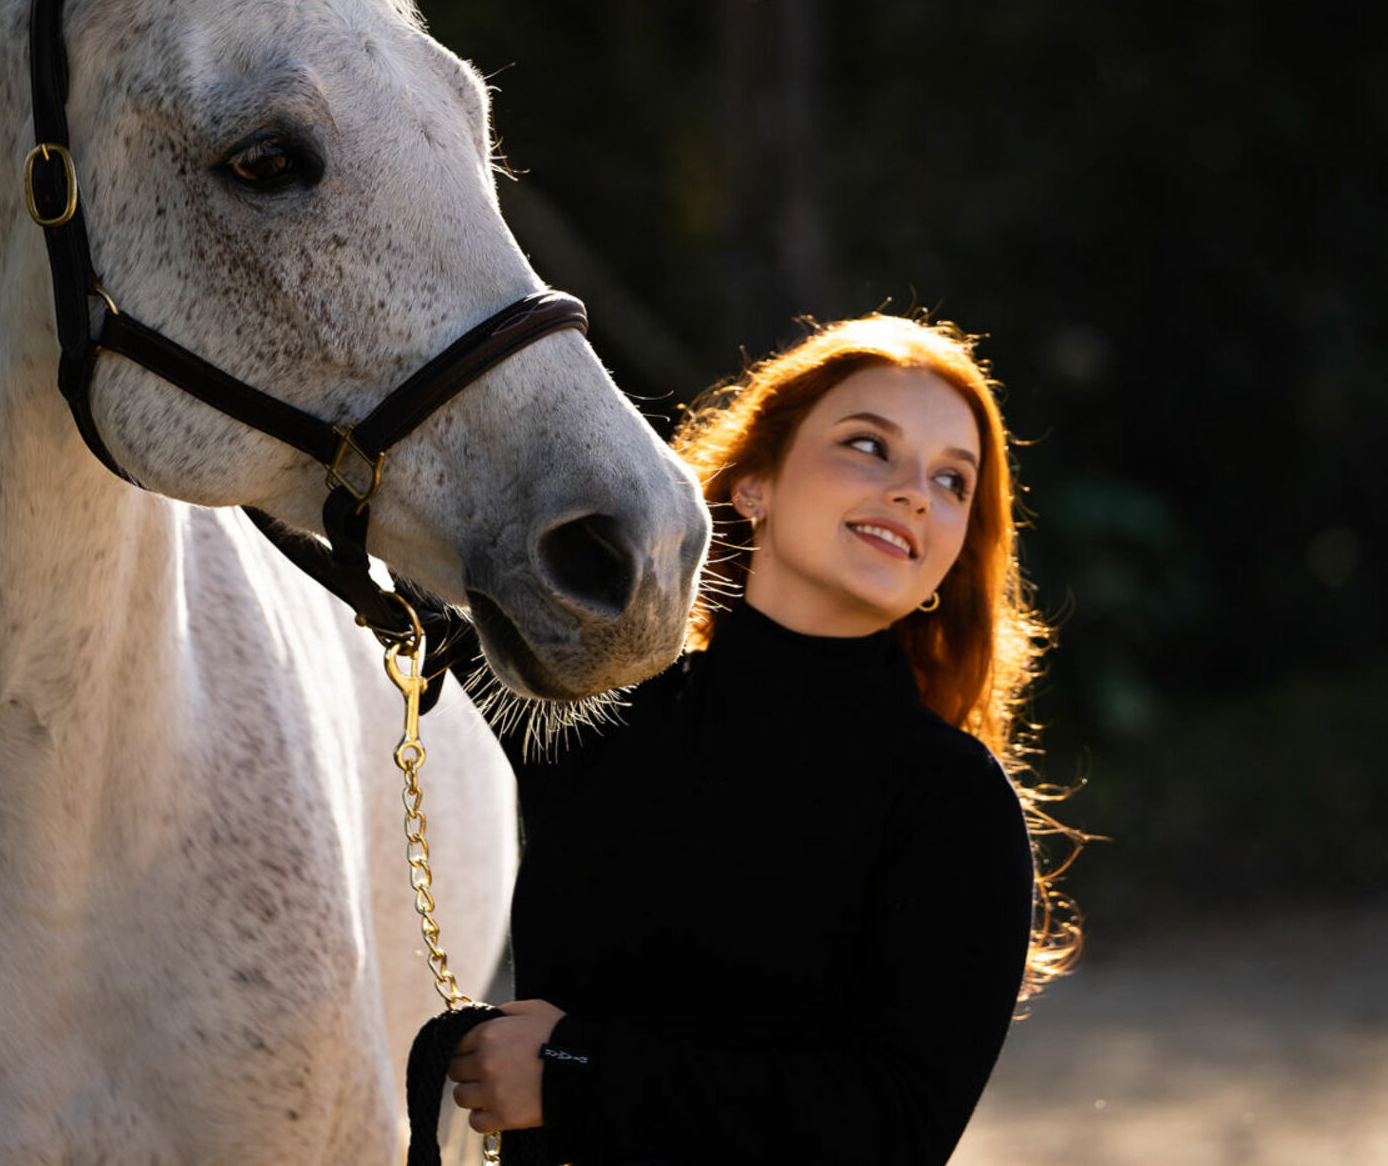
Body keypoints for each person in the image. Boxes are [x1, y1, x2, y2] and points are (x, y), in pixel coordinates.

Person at [448, 314, 1078, 1164]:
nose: (914, 492)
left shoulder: (951, 801)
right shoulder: (591, 702)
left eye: (953, 482)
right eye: (868, 446)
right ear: (755, 485)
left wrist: (573, 1075)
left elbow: (894, 1127)